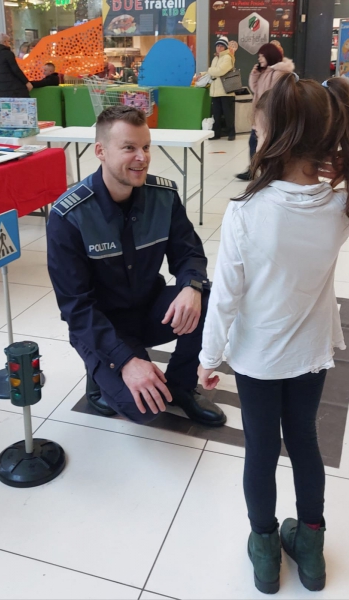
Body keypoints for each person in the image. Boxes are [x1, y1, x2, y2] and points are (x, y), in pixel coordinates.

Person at [197, 74, 349, 594]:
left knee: (260, 449)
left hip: (257, 357)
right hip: (311, 353)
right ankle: (312, 549)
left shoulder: (246, 212)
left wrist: (208, 359)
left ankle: (264, 550)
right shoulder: (339, 207)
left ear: (275, 136)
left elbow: (225, 296)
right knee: (304, 441)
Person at [46, 105, 227, 428]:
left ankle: (181, 386)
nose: (142, 157)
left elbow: (188, 253)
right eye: (129, 147)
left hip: (147, 306)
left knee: (209, 299)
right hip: (101, 325)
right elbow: (76, 308)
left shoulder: (163, 197)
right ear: (100, 151)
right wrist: (126, 361)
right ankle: (99, 377)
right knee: (144, 408)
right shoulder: (70, 216)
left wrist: (191, 286)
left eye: (146, 146)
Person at [236, 43, 295, 180]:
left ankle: (266, 171)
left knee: (266, 144)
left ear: (269, 56)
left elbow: (275, 96)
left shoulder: (279, 73)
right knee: (253, 142)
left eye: (262, 56)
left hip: (269, 116)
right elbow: (255, 89)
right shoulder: (266, 71)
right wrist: (255, 74)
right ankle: (253, 169)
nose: (259, 59)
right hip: (259, 116)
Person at [207, 36, 236, 140]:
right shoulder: (215, 58)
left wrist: (210, 70)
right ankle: (216, 133)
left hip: (225, 91)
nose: (219, 48)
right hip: (215, 91)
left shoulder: (227, 57)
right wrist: (206, 73)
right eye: (217, 46)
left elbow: (220, 71)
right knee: (216, 114)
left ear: (225, 47)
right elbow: (214, 72)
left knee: (228, 114)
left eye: (221, 46)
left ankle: (231, 133)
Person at [0, 33, 32, 98]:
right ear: (5, 42)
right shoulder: (7, 53)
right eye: (9, 41)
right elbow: (15, 69)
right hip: (11, 87)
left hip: (0, 87)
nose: (9, 43)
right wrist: (26, 82)